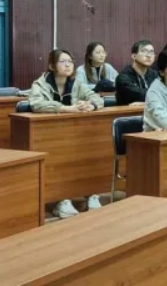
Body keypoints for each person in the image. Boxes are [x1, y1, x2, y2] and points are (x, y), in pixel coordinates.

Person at [29, 49, 104, 218]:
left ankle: (90, 193)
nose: (68, 65)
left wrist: (91, 105)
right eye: (63, 61)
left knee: (87, 153)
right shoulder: (40, 84)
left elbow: (97, 98)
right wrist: (65, 108)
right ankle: (60, 200)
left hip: (73, 134)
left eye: (70, 61)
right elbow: (36, 104)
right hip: (48, 135)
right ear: (52, 66)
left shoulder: (77, 83)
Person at [115, 40, 159, 106]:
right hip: (129, 112)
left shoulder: (155, 75)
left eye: (151, 52)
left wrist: (144, 103)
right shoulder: (123, 77)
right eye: (144, 51)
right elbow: (139, 95)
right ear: (134, 56)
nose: (149, 55)